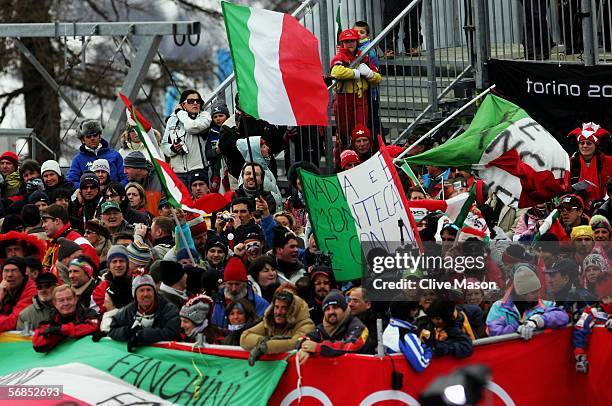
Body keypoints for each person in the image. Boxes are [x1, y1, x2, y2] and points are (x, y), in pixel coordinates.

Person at [331, 28, 382, 150]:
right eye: (346, 41)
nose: (350, 44)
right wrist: (355, 73)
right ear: (342, 43)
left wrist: (369, 73)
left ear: (357, 42)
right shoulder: (340, 56)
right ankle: (343, 163)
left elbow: (378, 78)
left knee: (361, 134)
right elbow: (336, 71)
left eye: (352, 41)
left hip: (360, 100)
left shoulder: (364, 57)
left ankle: (361, 161)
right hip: (343, 100)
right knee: (343, 136)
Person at [487, 264, 569, 338]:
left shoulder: (545, 304)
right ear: (521, 294)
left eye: (538, 290)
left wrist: (538, 321)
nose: (537, 295)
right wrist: (518, 328)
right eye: (533, 292)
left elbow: (562, 316)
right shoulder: (499, 307)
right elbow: (494, 331)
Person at [241, 288, 314, 365]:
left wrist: (267, 347)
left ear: (293, 310)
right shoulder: (269, 322)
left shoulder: (306, 324)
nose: (278, 312)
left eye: (284, 308)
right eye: (276, 307)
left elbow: (296, 342)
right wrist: (264, 341)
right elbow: (245, 337)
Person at [109, 273, 181, 352]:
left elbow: (172, 332)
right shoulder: (130, 309)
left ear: (154, 292)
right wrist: (129, 331)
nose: (146, 294)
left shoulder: (168, 308)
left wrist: (141, 335)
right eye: (141, 290)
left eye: (149, 290)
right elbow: (113, 329)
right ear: (135, 294)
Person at [297, 291, 372, 365]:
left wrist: (318, 347)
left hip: (360, 372)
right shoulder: (322, 328)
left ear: (344, 310)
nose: (331, 312)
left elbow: (352, 345)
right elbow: (302, 339)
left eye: (335, 307)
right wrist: (305, 347)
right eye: (327, 309)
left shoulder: (357, 326)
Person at [161, 89, 212, 185]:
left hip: (199, 170)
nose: (195, 103)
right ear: (183, 104)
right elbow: (164, 145)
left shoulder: (205, 116)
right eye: (191, 101)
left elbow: (191, 127)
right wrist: (173, 149)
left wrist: (180, 113)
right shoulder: (172, 120)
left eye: (198, 101)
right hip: (178, 173)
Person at [32, 285, 99, 352]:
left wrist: (62, 330)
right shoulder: (51, 319)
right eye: (61, 300)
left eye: (69, 299)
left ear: (75, 299)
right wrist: (55, 335)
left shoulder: (88, 313)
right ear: (55, 303)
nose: (66, 303)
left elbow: (93, 327)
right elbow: (37, 344)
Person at [66, 119, 127, 188]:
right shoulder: (78, 159)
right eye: (88, 136)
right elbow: (71, 181)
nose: (92, 138)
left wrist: (117, 189)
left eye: (95, 135)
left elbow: (125, 178)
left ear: (100, 136)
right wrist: (86, 189)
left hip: (112, 195)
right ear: (83, 140)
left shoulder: (115, 155)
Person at [41, 204, 98, 277]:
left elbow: (89, 275)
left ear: (57, 221)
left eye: (45, 221)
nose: (43, 225)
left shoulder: (81, 244)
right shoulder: (53, 243)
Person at [211, 256, 269, 328]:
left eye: (237, 284)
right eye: (230, 284)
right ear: (224, 283)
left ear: (245, 283)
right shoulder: (216, 302)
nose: (234, 289)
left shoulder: (260, 304)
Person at [573, 273, 612, 374]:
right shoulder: (592, 311)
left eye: (610, 297)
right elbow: (580, 330)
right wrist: (580, 353)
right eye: (605, 297)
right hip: (600, 365)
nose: (608, 301)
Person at [383, 298, 432, 372]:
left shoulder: (389, 327)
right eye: (415, 308)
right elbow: (422, 364)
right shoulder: (407, 336)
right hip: (402, 379)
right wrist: (428, 348)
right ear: (410, 311)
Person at [568, 122, 611, 206]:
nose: (585, 146)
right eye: (582, 143)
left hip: (604, 205)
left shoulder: (608, 162)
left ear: (596, 146)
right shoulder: (570, 163)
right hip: (575, 207)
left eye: (589, 143)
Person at [91, 244, 131, 314]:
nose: (118, 265)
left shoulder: (135, 282)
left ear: (127, 264)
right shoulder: (102, 288)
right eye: (114, 261)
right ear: (108, 266)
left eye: (121, 261)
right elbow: (93, 312)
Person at [0, 258, 37, 332]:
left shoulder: (32, 290)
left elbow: (13, 321)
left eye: (14, 270)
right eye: (6, 271)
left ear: (23, 273)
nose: (10, 275)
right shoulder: (2, 287)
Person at [203, 102, 229, 193]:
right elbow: (207, 154)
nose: (218, 119)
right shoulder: (211, 133)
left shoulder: (232, 129)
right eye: (215, 117)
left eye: (221, 115)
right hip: (216, 172)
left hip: (231, 169)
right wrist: (216, 151)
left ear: (227, 116)